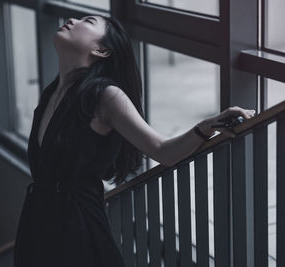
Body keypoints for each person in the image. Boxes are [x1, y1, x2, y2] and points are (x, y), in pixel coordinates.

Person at [13, 15, 256, 267]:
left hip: (77, 230)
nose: (72, 19)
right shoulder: (51, 93)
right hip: (37, 223)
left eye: (88, 21)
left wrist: (206, 127)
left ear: (101, 50)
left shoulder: (105, 95)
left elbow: (162, 150)